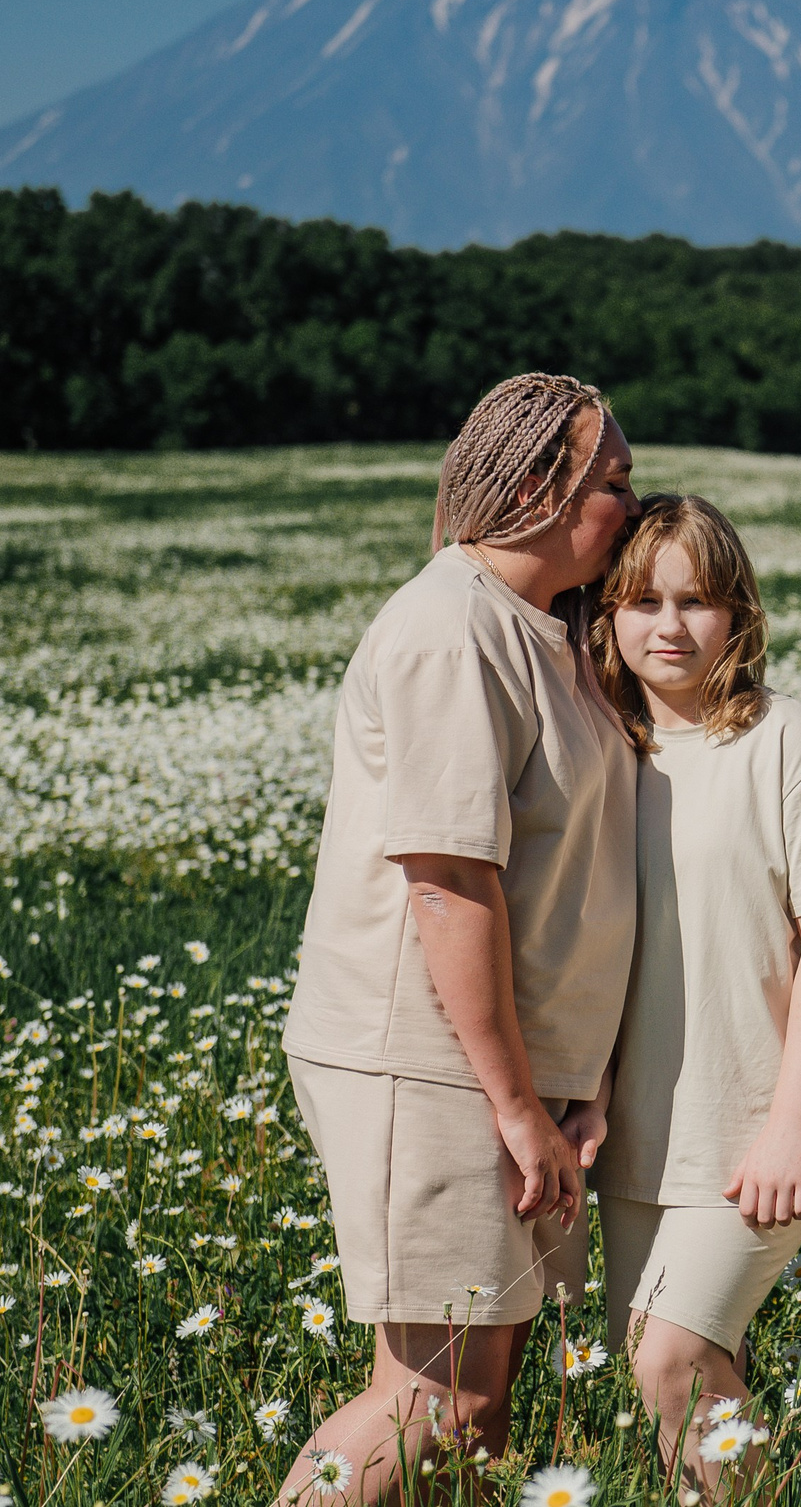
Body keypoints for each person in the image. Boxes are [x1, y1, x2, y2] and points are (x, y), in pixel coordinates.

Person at [276, 374, 644, 1505]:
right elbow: (447, 881)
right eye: (614, 481)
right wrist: (517, 1103)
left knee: (480, 1402)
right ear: (536, 490)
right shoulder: (451, 631)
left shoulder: (546, 627)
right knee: (429, 1395)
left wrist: (572, 1082)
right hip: (430, 1062)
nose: (633, 506)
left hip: (507, 1067)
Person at [588, 495, 801, 1486]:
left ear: (738, 613)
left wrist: (791, 1124)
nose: (669, 626)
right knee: (673, 1379)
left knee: (667, 1357)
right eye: (643, 601)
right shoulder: (603, 749)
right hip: (634, 1134)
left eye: (696, 600)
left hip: (757, 1123)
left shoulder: (790, 741)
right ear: (608, 613)